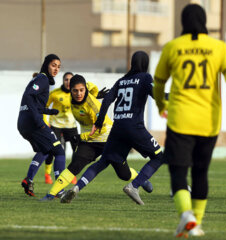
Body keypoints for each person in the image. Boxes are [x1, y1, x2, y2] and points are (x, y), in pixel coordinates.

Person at [153, 4, 226, 237]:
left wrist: (160, 104)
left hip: (180, 120)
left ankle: (186, 215)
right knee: (201, 173)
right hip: (209, 121)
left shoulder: (173, 47)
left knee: (178, 171)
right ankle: (195, 224)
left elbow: (159, 81)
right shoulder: (219, 48)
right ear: (205, 22)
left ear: (183, 22)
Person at [60, 51, 162, 205]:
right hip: (134, 127)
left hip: (117, 128)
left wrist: (99, 122)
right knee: (159, 157)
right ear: (145, 64)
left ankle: (76, 188)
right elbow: (157, 94)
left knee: (102, 162)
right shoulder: (145, 77)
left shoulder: (122, 80)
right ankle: (134, 186)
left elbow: (107, 100)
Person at [40, 74, 140, 201]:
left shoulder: (93, 107)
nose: (79, 93)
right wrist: (96, 93)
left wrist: (81, 137)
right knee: (75, 165)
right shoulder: (77, 92)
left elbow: (101, 129)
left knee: (124, 175)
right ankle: (51, 194)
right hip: (90, 141)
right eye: (75, 90)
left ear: (84, 90)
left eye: (81, 90)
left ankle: (141, 178)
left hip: (108, 139)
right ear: (70, 90)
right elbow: (91, 86)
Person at [42, 72, 108, 184]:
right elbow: (44, 107)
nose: (68, 82)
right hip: (56, 125)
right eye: (66, 79)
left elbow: (85, 99)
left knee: (77, 150)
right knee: (53, 150)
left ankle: (72, 173)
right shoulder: (55, 94)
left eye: (70, 79)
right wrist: (45, 122)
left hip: (71, 126)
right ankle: (48, 174)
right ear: (63, 81)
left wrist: (95, 96)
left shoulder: (76, 92)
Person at [17, 54, 66, 197]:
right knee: (59, 151)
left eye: (58, 67)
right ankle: (60, 190)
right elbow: (28, 96)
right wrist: (39, 122)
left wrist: (49, 111)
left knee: (45, 150)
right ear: (46, 65)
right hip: (33, 123)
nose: (56, 69)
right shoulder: (42, 78)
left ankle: (28, 180)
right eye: (53, 65)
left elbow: (34, 104)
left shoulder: (40, 79)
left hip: (23, 123)